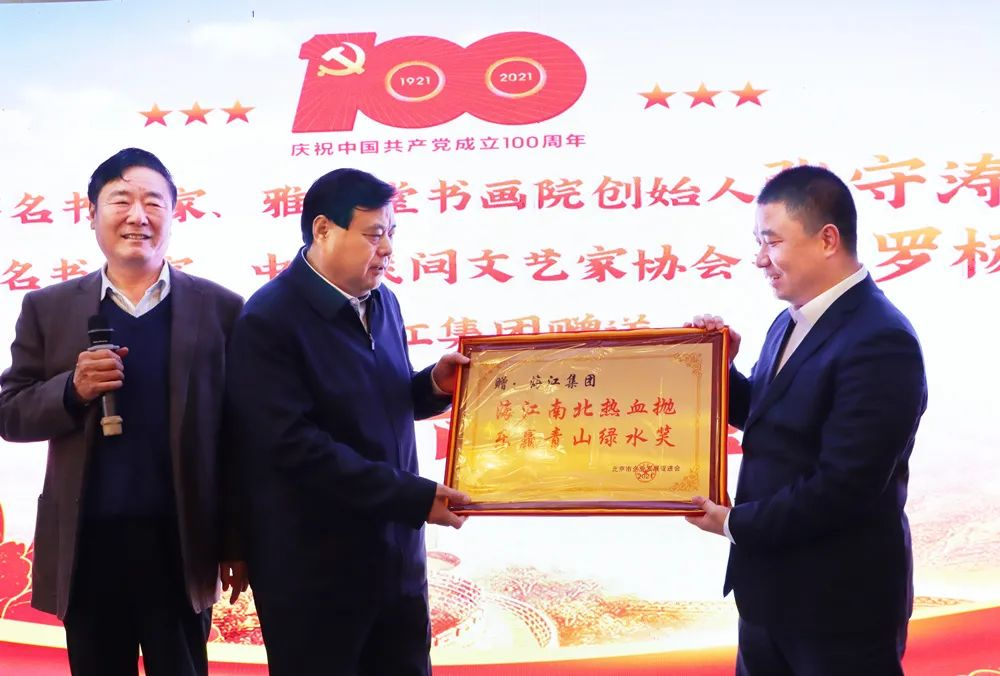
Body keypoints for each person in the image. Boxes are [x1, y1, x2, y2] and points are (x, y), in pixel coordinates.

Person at [0, 148, 248, 676]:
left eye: (153, 202)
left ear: (174, 215)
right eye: (121, 201)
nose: (138, 215)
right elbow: (10, 412)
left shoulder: (222, 310)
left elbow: (240, 438)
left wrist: (236, 540)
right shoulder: (49, 308)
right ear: (91, 214)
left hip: (181, 546)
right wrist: (72, 390)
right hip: (87, 546)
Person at [225, 167, 470, 676]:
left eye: (391, 232)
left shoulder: (383, 301)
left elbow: (378, 403)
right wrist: (413, 497)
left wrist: (434, 385)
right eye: (374, 234)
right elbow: (293, 448)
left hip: (397, 563)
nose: (388, 249)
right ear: (323, 230)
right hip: (316, 575)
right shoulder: (268, 320)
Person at [685, 165, 927, 675]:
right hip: (768, 598)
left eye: (772, 242)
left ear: (827, 239)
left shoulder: (880, 339)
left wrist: (732, 522)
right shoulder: (789, 319)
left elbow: (845, 485)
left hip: (839, 608)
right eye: (757, 243)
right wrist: (717, 369)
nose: (760, 259)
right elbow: (771, 418)